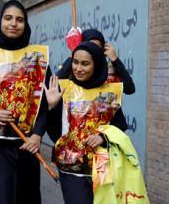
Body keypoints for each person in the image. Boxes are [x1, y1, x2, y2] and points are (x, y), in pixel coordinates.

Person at [0, 0, 51, 204]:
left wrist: (38, 135)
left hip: (27, 144)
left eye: (19, 19)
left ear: (26, 24)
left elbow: (46, 104)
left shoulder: (37, 59)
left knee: (27, 197)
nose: (13, 24)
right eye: (8, 18)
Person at [45, 41, 136, 204]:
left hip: (103, 171)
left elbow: (120, 126)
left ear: (97, 65)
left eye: (85, 64)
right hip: (72, 170)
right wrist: (52, 107)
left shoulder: (109, 93)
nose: (78, 68)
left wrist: (103, 137)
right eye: (75, 62)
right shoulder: (65, 90)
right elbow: (54, 135)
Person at [57, 29, 134, 131]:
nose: (93, 50)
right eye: (87, 46)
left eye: (97, 48)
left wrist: (115, 59)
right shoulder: (77, 70)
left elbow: (130, 88)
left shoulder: (109, 71)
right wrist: (75, 52)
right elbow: (56, 83)